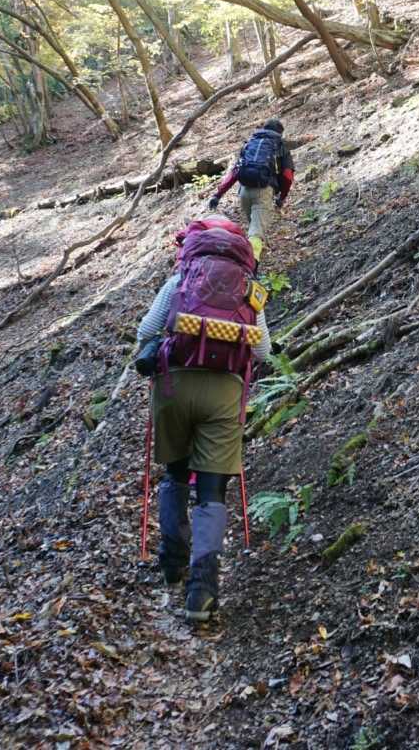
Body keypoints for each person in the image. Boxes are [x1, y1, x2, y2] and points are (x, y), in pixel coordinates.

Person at [134, 216, 270, 623]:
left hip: (174, 386)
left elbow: (146, 330)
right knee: (212, 491)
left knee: (175, 474)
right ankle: (202, 592)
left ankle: (171, 561)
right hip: (224, 394)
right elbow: (262, 351)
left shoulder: (179, 280)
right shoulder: (250, 289)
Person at [207, 119, 294, 259]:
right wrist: (282, 197)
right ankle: (251, 265)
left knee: (254, 229)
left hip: (244, 191)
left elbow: (235, 172)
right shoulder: (280, 145)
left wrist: (218, 194)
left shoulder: (249, 144)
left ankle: (256, 252)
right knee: (256, 234)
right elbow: (287, 176)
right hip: (263, 191)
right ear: (280, 133)